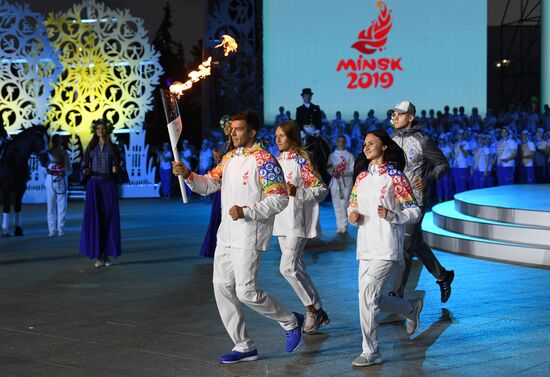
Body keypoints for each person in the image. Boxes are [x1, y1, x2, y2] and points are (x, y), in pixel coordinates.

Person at [172, 110, 304, 363]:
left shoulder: (265, 160)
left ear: (251, 132)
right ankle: (243, 345)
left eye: (238, 129)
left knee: (246, 292)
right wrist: (188, 175)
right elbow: (208, 184)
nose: (232, 133)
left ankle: (290, 321)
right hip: (227, 234)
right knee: (222, 288)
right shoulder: (230, 157)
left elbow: (279, 198)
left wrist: (247, 211)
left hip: (249, 233)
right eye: (231, 129)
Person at [348, 130, 423, 367]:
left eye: (371, 143)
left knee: (367, 295)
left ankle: (371, 351)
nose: (366, 147)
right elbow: (353, 204)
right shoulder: (361, 177)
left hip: (387, 245)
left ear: (383, 147)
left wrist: (393, 215)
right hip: (366, 246)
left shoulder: (396, 177)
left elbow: (414, 211)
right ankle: (410, 308)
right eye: (364, 143)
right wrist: (353, 215)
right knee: (370, 298)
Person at [390, 101, 454, 303]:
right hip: (395, 200)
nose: (395, 117)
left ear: (409, 117)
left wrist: (427, 179)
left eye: (399, 114)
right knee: (415, 243)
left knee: (406, 247)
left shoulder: (422, 141)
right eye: (394, 114)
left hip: (415, 201)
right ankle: (442, 275)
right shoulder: (391, 139)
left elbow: (443, 164)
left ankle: (397, 296)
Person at [273, 120, 330, 333]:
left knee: (286, 268)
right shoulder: (275, 162)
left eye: (282, 136)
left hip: (298, 222)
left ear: (292, 137)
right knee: (297, 268)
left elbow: (321, 190)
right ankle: (318, 311)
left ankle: (313, 311)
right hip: (280, 222)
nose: (278, 139)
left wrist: (299, 192)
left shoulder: (301, 162)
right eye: (276, 135)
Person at [79, 119, 123, 268]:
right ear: (95, 131)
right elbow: (84, 165)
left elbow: (120, 166)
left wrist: (117, 170)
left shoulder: (114, 148)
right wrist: (85, 170)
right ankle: (98, 255)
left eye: (103, 128)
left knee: (108, 219)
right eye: (98, 128)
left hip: (108, 185)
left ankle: (107, 254)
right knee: (96, 220)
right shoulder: (91, 148)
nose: (100, 131)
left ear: (107, 130)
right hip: (94, 185)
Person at [198, 115, 233, 258]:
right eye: (224, 126)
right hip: (221, 186)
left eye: (228, 126)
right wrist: (217, 159)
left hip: (233, 187)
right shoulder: (224, 145)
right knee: (218, 218)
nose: (226, 129)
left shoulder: (235, 146)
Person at [42, 134, 72, 236]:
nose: (57, 142)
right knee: (50, 208)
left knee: (62, 207)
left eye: (58, 140)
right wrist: (48, 171)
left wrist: (64, 172)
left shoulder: (65, 153)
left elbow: (69, 169)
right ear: (52, 141)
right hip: (50, 182)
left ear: (61, 141)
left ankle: (61, 229)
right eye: (55, 140)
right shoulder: (48, 153)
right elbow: (43, 168)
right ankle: (52, 230)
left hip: (62, 182)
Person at [327, 135, 355, 236]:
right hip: (335, 183)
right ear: (336, 142)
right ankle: (339, 226)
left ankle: (344, 225)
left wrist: (343, 172)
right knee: (336, 206)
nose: (341, 143)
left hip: (346, 183)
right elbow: (329, 168)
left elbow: (352, 170)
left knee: (344, 205)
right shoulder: (332, 156)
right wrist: (333, 172)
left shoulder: (350, 156)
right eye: (339, 141)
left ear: (345, 143)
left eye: (343, 141)